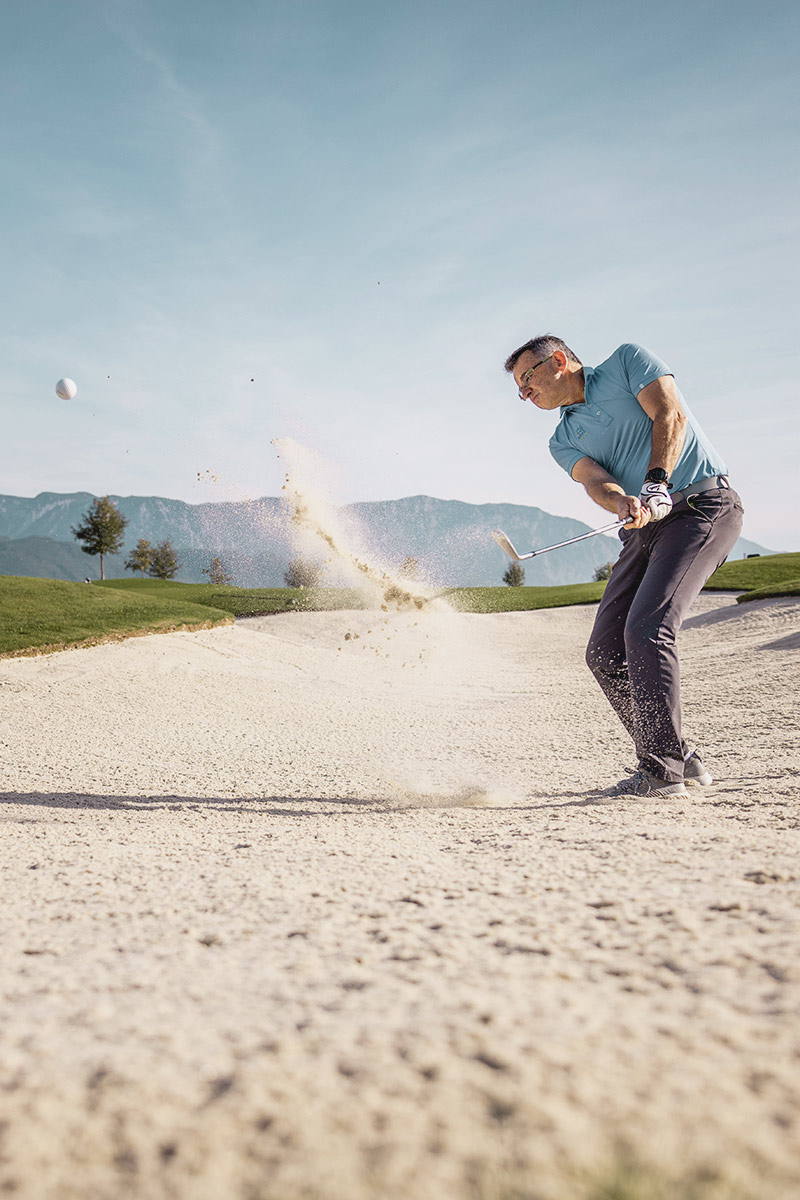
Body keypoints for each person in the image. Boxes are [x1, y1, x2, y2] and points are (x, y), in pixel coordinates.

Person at [504, 335, 743, 797]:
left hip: (701, 506)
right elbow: (596, 481)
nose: (523, 394)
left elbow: (669, 414)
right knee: (604, 652)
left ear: (558, 361)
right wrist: (622, 502)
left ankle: (661, 771)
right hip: (643, 527)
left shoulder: (627, 362)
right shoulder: (562, 438)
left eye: (526, 379)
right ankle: (678, 755)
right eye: (519, 388)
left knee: (648, 629)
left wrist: (656, 482)